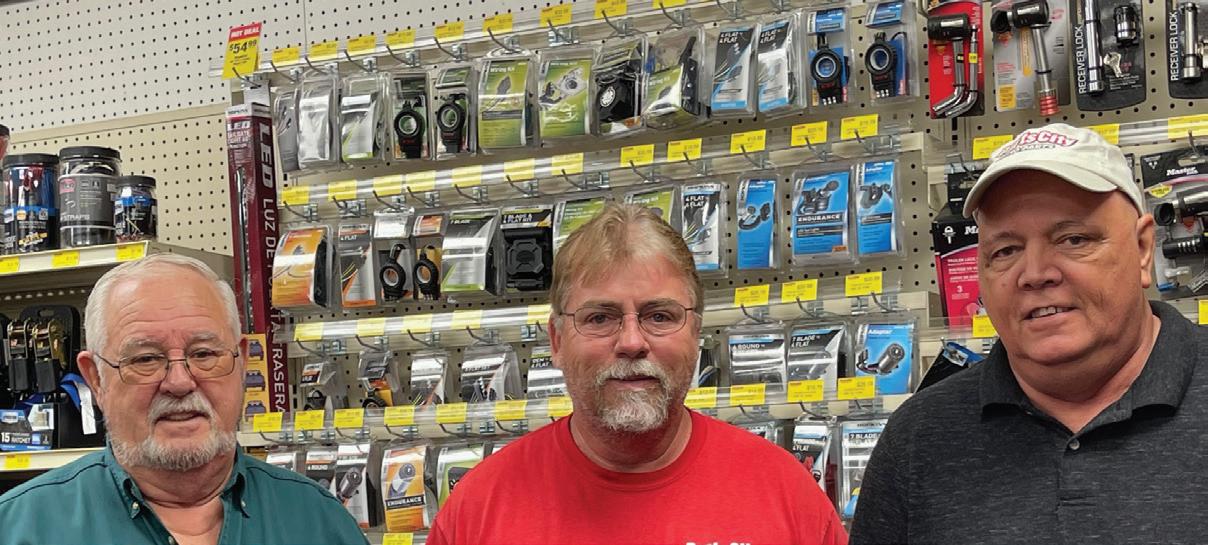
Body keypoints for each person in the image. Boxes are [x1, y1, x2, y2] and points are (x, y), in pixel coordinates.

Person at [850, 124, 1208, 544]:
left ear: (1143, 249)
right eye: (1005, 251)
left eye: (1073, 239)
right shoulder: (917, 440)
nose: (1035, 273)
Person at [429, 203, 846, 545]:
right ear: (556, 341)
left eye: (659, 316)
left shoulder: (785, 492)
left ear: (695, 334)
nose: (631, 342)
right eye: (599, 318)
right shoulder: (478, 509)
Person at [0, 254, 368, 545]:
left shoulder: (320, 523)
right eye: (146, 359)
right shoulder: (19, 529)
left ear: (241, 363)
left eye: (204, 354)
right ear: (96, 379)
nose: (179, 382)